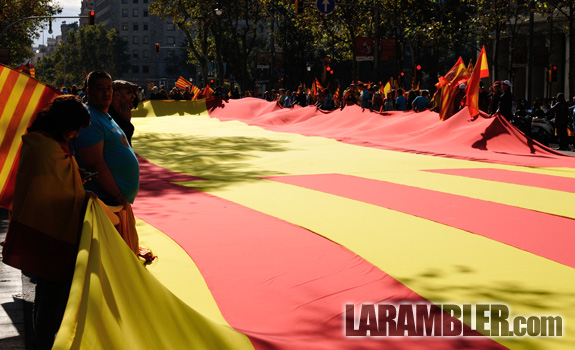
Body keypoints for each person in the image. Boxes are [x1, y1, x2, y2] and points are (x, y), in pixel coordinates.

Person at [2, 95, 92, 350]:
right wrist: (82, 191)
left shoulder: (49, 142)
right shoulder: (43, 146)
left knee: (47, 289)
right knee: (51, 291)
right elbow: (52, 189)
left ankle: (44, 340)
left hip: (47, 225)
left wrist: (75, 175)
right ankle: (44, 342)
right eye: (74, 129)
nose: (75, 135)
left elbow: (57, 179)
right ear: (64, 123)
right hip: (48, 228)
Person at [74, 70, 140, 206]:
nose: (106, 93)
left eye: (109, 88)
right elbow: (93, 163)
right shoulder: (90, 119)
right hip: (104, 201)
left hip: (113, 201)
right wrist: (117, 195)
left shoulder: (104, 115)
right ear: (88, 91)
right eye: (100, 89)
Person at [109, 79, 138, 146]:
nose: (134, 96)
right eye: (129, 92)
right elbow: (114, 135)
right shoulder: (108, 114)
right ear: (118, 94)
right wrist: (126, 122)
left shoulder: (118, 113)